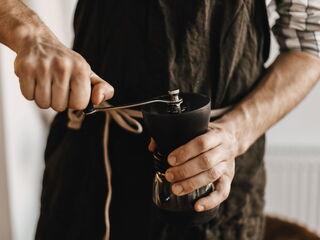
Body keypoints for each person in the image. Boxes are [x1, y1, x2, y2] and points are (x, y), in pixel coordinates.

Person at [0, 0, 319, 239]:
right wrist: (30, 34)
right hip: (92, 160)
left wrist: (234, 134)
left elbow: (309, 41)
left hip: (221, 167)